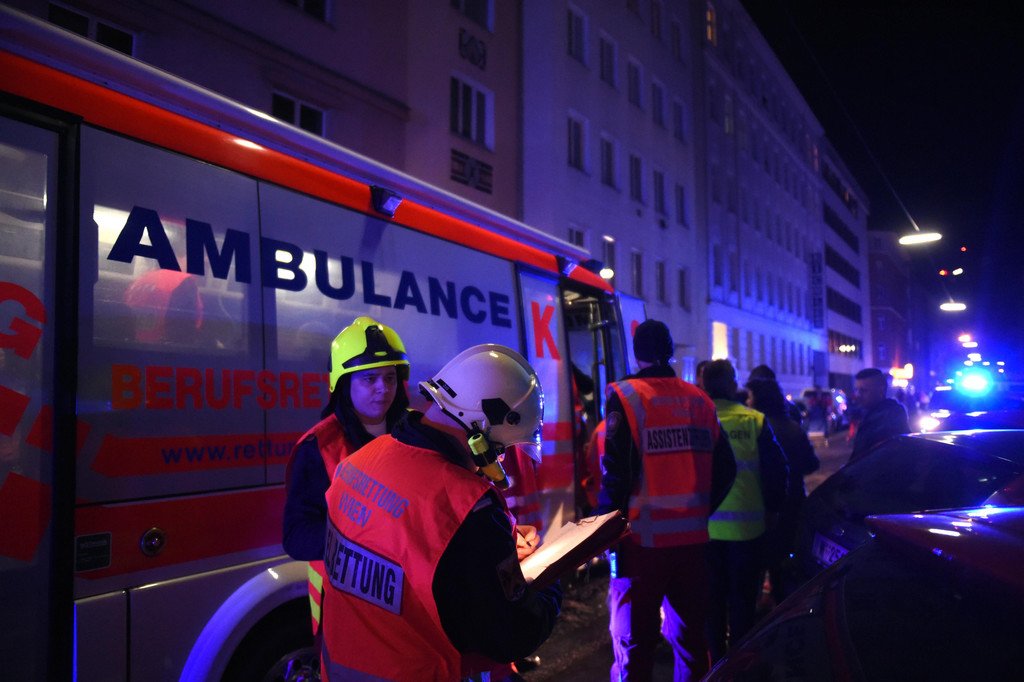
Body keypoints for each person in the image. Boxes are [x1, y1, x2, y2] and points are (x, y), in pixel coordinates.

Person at [319, 344, 562, 681]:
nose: (501, 458)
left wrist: (498, 544)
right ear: (480, 434)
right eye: (501, 448)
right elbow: (510, 633)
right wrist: (552, 579)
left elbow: (410, 555)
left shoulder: (358, 462)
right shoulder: (466, 506)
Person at [597, 320, 737, 681]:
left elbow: (617, 474)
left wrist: (602, 531)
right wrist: (699, 510)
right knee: (692, 642)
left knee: (636, 643)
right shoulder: (699, 400)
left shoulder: (627, 397)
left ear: (636, 353)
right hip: (692, 544)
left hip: (640, 545)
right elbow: (727, 469)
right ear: (671, 351)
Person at [283, 316, 410, 636]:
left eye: (390, 377)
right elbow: (297, 536)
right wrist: (370, 535)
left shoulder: (415, 433)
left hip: (410, 606)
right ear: (343, 383)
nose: (383, 388)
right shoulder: (318, 448)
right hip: (346, 612)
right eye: (369, 378)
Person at [701, 359, 788, 661]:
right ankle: (738, 666)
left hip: (704, 531)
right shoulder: (754, 420)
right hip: (747, 531)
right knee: (742, 604)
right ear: (732, 384)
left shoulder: (696, 419)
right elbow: (777, 470)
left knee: (712, 604)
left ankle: (715, 664)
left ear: (703, 384)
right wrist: (774, 509)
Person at [745, 377, 819, 604]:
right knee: (783, 565)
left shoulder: (755, 427)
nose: (747, 401)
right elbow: (811, 464)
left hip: (761, 505)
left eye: (750, 396)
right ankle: (783, 607)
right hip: (792, 503)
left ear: (759, 399)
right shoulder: (793, 428)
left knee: (758, 564)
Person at [849, 367, 911, 463]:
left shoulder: (890, 417)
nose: (858, 395)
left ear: (881, 390)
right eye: (857, 390)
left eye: (864, 390)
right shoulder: (870, 413)